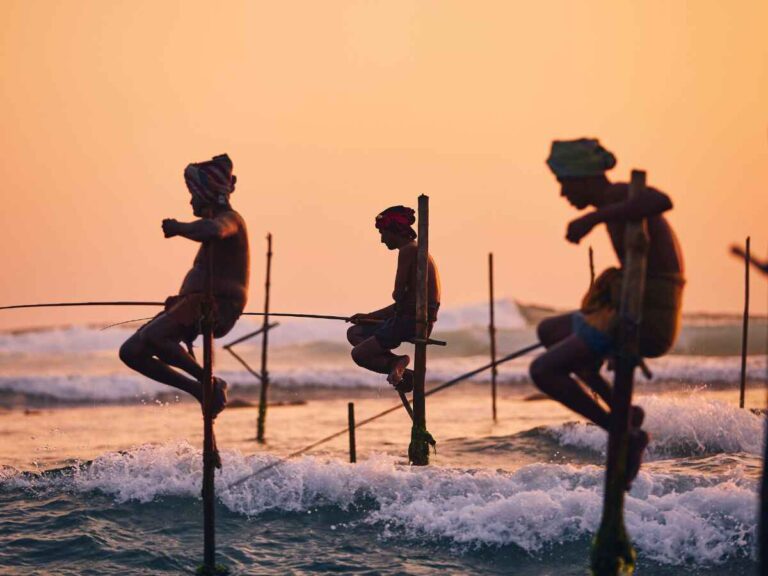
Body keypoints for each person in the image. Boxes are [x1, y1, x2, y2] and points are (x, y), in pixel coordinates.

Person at [529, 138, 685, 488]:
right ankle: (623, 412)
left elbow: (662, 200)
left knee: (543, 370)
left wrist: (593, 218)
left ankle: (622, 432)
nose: (563, 194)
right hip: (630, 309)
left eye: (564, 183)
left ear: (584, 177)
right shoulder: (617, 203)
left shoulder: (619, 196)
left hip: (647, 319)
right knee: (548, 331)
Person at [120, 154, 249, 419]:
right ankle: (200, 389)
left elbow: (214, 229)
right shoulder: (215, 221)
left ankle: (209, 382)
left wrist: (179, 228)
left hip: (217, 306)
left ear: (207, 194)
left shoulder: (230, 219)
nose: (191, 202)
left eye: (194, 195)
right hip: (191, 305)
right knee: (131, 351)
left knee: (156, 337)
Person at [347, 206, 441, 393]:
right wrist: (368, 316)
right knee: (355, 332)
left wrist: (398, 294)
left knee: (358, 354)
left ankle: (398, 363)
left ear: (394, 230)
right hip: (409, 318)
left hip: (411, 322)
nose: (382, 240)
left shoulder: (408, 251)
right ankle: (396, 365)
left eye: (383, 233)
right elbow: (403, 303)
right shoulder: (416, 249)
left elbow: (397, 296)